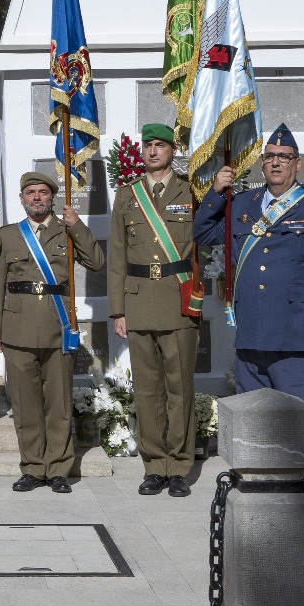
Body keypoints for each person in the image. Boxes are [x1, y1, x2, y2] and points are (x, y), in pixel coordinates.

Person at [196, 123, 304, 403]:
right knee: (252, 417)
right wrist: (215, 192)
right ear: (262, 163)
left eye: (284, 156)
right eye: (269, 156)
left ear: (297, 164)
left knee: (295, 417)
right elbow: (203, 234)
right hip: (251, 331)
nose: (275, 162)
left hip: (294, 334)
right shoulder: (242, 203)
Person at [0, 170, 103, 493]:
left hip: (58, 326)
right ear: (21, 199)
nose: (36, 198)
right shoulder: (8, 235)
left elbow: (96, 262)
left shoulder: (67, 230)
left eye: (42, 192)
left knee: (59, 405)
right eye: (30, 193)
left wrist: (77, 226)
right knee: (26, 406)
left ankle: (59, 469)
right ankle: (33, 468)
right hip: (18, 329)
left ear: (52, 198)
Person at [108, 123, 205, 497]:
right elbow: (117, 255)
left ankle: (179, 467)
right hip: (139, 301)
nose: (152, 151)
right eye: (147, 145)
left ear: (171, 151)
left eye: (160, 145)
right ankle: (154, 466)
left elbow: (205, 242)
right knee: (147, 392)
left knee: (180, 389)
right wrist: (118, 310)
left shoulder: (191, 191)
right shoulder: (127, 195)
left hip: (178, 301)